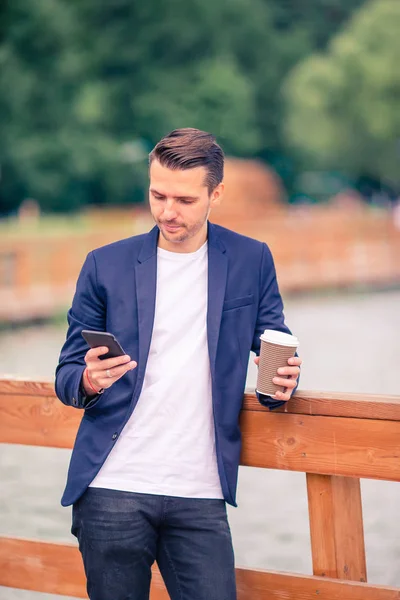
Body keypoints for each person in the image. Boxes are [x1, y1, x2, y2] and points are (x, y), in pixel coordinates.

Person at [55, 128, 302, 600]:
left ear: (217, 193)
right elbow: (66, 375)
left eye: (185, 200)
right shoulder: (104, 265)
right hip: (112, 487)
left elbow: (275, 346)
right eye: (157, 195)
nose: (168, 211)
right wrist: (88, 378)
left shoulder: (252, 259)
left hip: (202, 490)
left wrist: (282, 383)